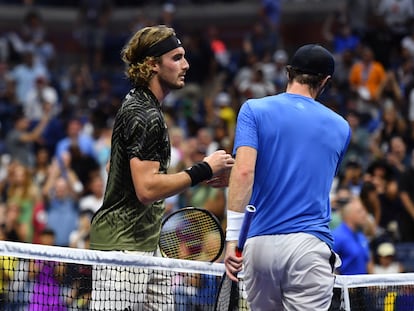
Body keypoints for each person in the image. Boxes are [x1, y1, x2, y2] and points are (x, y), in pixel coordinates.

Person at [89, 25, 234, 310]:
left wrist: (184, 178)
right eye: (177, 58)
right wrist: (202, 169)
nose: (186, 65)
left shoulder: (137, 103)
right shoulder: (145, 114)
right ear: (153, 65)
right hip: (123, 250)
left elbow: (114, 166)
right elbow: (146, 189)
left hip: (147, 245)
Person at [224, 44, 350, 310]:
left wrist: (233, 239)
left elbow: (245, 171)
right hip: (307, 246)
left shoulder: (253, 110)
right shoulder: (341, 126)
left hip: (257, 247)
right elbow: (307, 175)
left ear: (288, 72)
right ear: (325, 81)